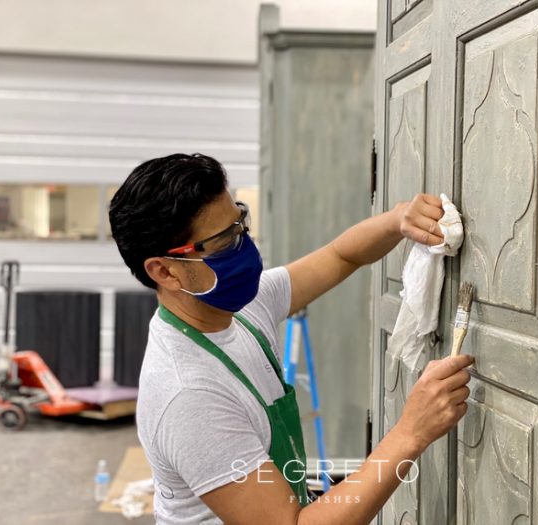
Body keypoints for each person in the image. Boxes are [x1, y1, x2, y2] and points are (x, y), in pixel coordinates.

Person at [109, 153, 473, 525]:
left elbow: (341, 256)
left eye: (240, 225)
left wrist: (398, 221)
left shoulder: (242, 309)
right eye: (223, 242)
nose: (244, 246)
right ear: (165, 271)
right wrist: (411, 432)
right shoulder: (188, 394)